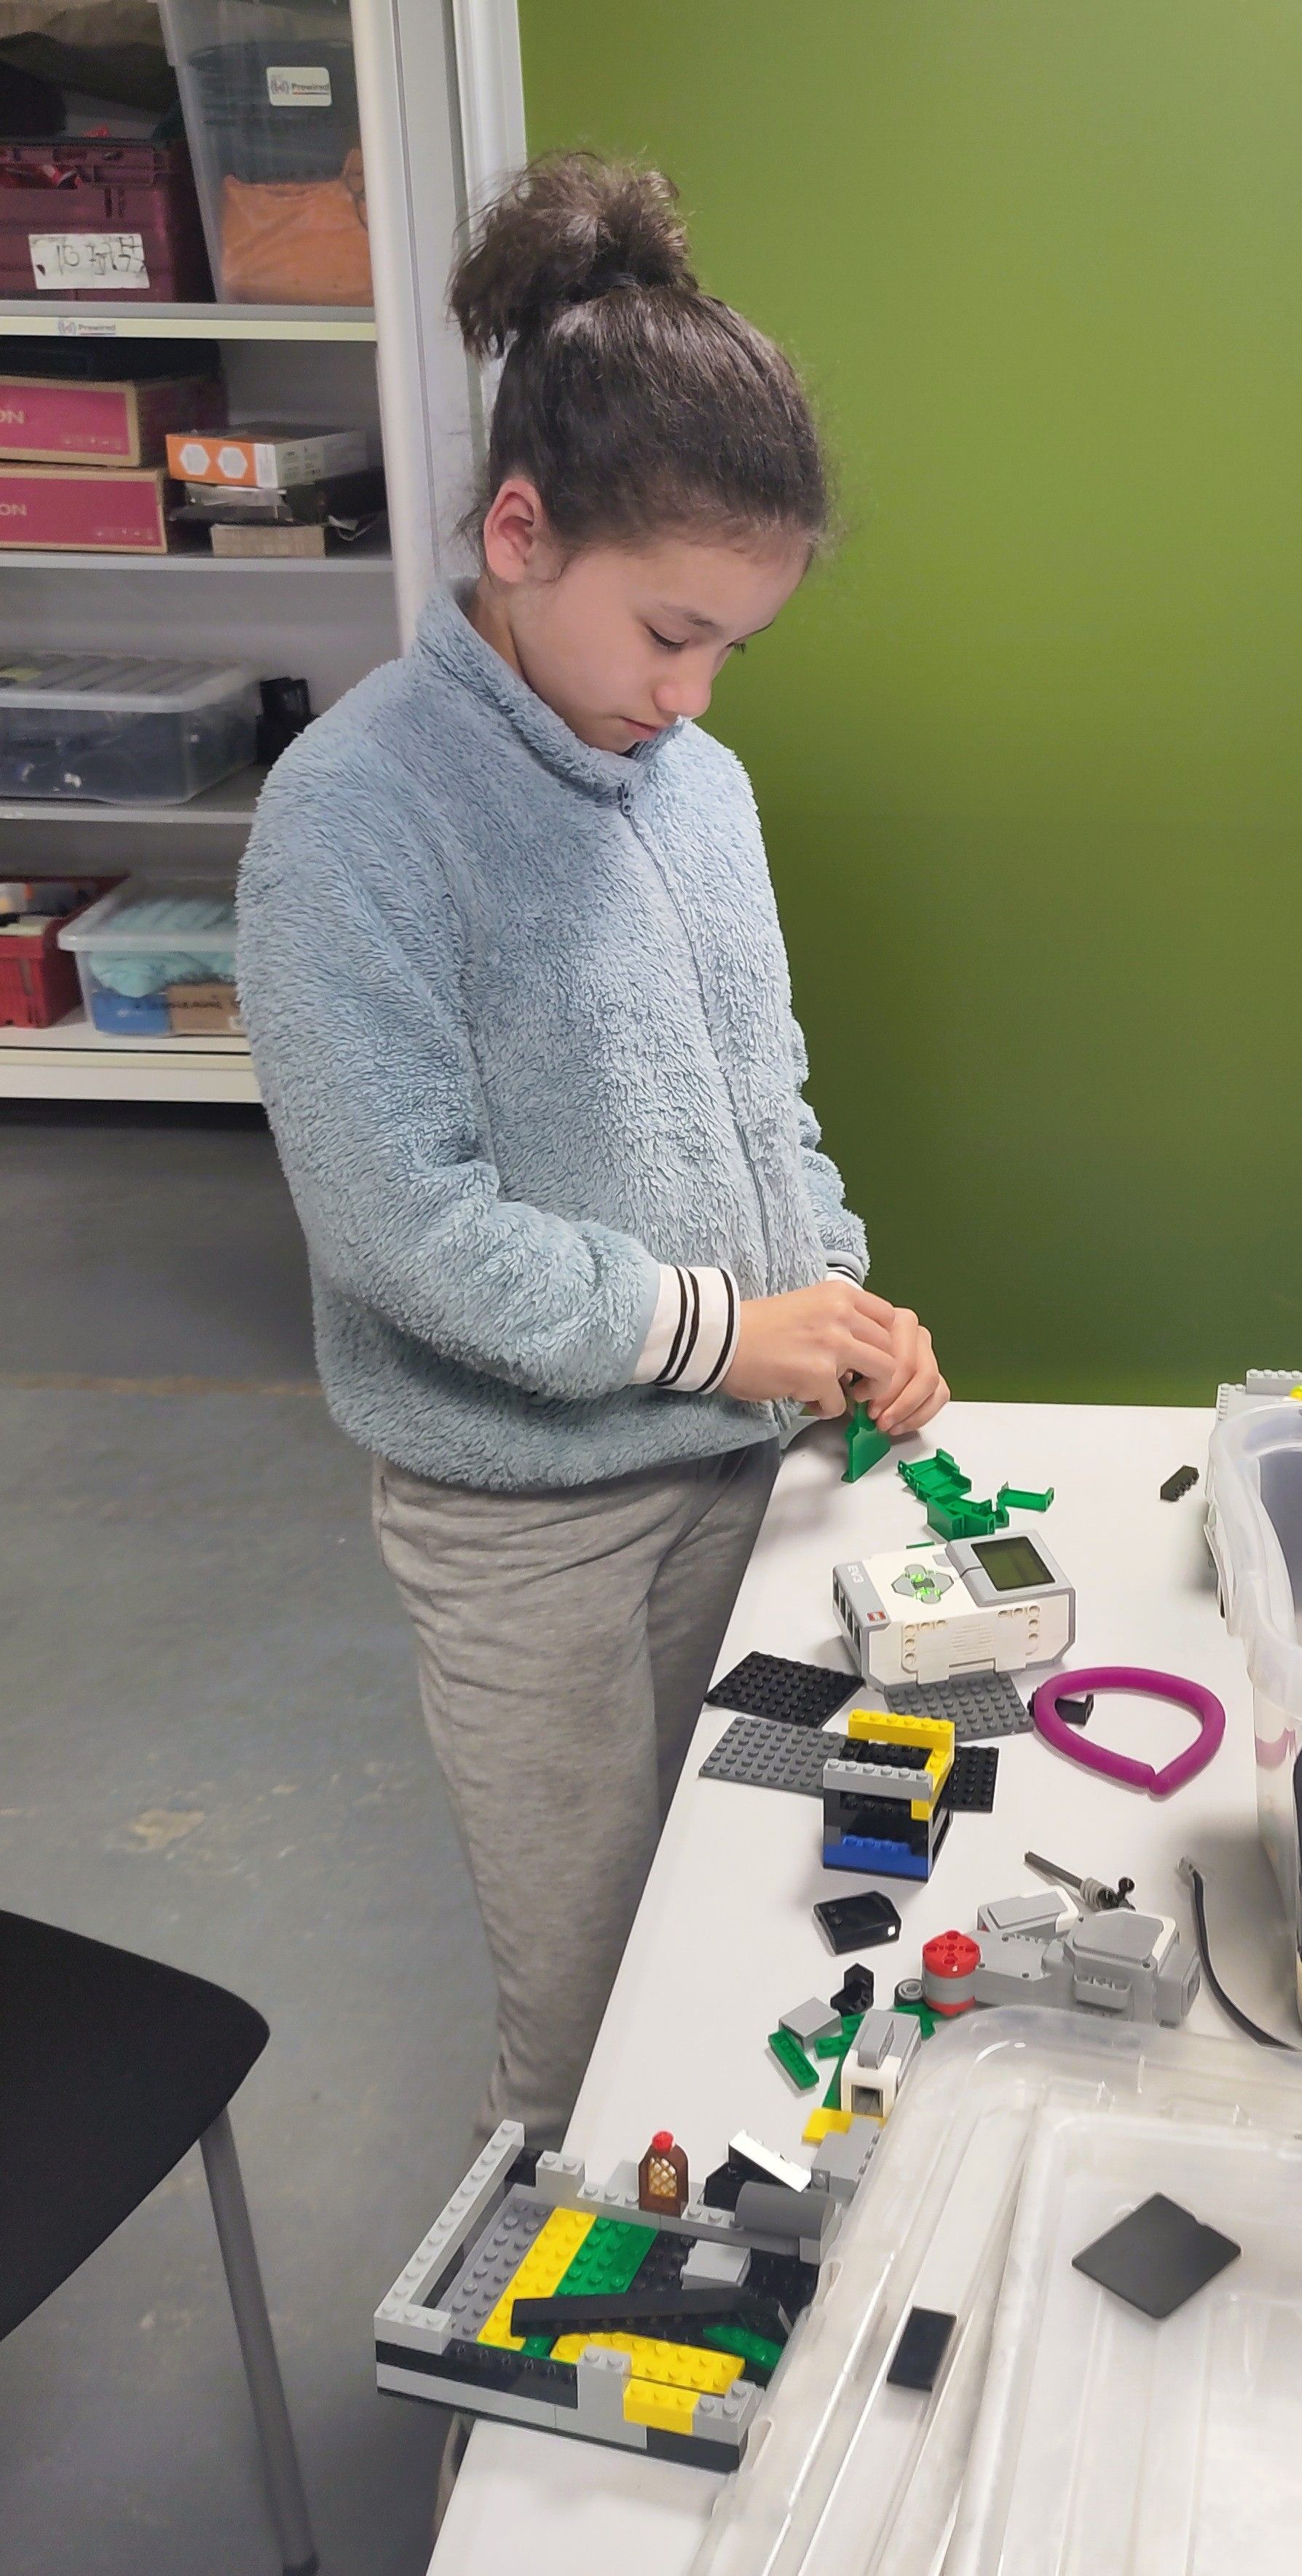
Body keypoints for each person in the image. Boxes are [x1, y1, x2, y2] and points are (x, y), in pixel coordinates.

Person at [237, 150, 949, 2153]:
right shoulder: (352, 820)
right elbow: (411, 1233)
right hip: (531, 1531)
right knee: (586, 2015)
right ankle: (553, 2415)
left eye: (733, 646)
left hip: (751, 1463)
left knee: (765, 1937)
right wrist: (736, 1326)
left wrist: (845, 1309)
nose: (694, 693)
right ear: (522, 531)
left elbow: (763, 1088)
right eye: (669, 630)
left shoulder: (692, 783)